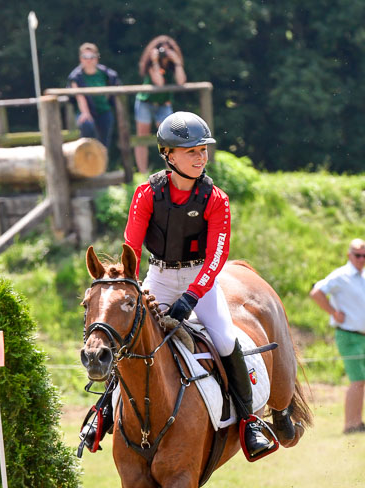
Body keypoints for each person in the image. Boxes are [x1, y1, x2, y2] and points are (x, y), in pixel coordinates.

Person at [121, 110, 287, 460]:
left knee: (226, 340)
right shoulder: (146, 194)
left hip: (202, 278)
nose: (201, 157)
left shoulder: (216, 199)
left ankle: (248, 422)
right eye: (191, 151)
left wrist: (192, 297)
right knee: (129, 336)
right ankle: (103, 413)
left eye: (203, 150)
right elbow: (131, 248)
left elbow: (216, 257)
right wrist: (131, 286)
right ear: (168, 155)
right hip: (159, 279)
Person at [310, 239, 365, 435]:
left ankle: (357, 422)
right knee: (357, 381)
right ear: (350, 255)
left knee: (361, 381)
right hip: (348, 336)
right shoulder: (341, 276)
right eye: (358, 255)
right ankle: (351, 425)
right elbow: (316, 293)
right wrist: (333, 312)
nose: (361, 259)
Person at [134, 36, 187, 174]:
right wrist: (155, 61)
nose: (164, 52)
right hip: (145, 102)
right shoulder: (151, 65)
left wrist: (177, 62)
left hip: (164, 104)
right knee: (142, 138)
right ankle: (142, 172)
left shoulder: (172, 66)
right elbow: (159, 82)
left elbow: (181, 81)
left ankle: (172, 170)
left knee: (168, 137)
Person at [67, 42, 121, 147]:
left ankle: (103, 163)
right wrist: (86, 113)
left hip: (104, 111)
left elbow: (114, 87)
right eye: (85, 57)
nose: (88, 60)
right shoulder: (76, 76)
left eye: (92, 56)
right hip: (85, 112)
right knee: (87, 131)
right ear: (80, 58)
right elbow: (80, 97)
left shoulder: (107, 74)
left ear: (97, 58)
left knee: (104, 145)